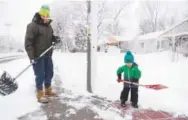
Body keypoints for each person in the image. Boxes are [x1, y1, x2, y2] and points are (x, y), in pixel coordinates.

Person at [24, 5, 60, 103]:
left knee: (49, 73)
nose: (45, 17)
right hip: (37, 56)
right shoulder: (32, 26)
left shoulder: (49, 26)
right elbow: (28, 43)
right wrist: (32, 57)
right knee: (40, 75)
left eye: (47, 15)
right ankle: (40, 93)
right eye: (43, 14)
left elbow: (51, 37)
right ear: (40, 14)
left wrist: (55, 39)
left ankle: (48, 90)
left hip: (48, 55)